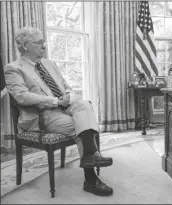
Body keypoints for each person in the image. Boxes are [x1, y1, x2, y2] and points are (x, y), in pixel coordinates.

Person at [4, 27, 113, 196]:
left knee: (84, 105)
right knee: (84, 127)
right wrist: (55, 101)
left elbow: (66, 86)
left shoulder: (49, 64)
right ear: (25, 45)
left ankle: (89, 157)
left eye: (43, 42)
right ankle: (90, 179)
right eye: (39, 42)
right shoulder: (13, 68)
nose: (44, 46)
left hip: (66, 108)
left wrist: (69, 95)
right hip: (42, 116)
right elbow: (22, 97)